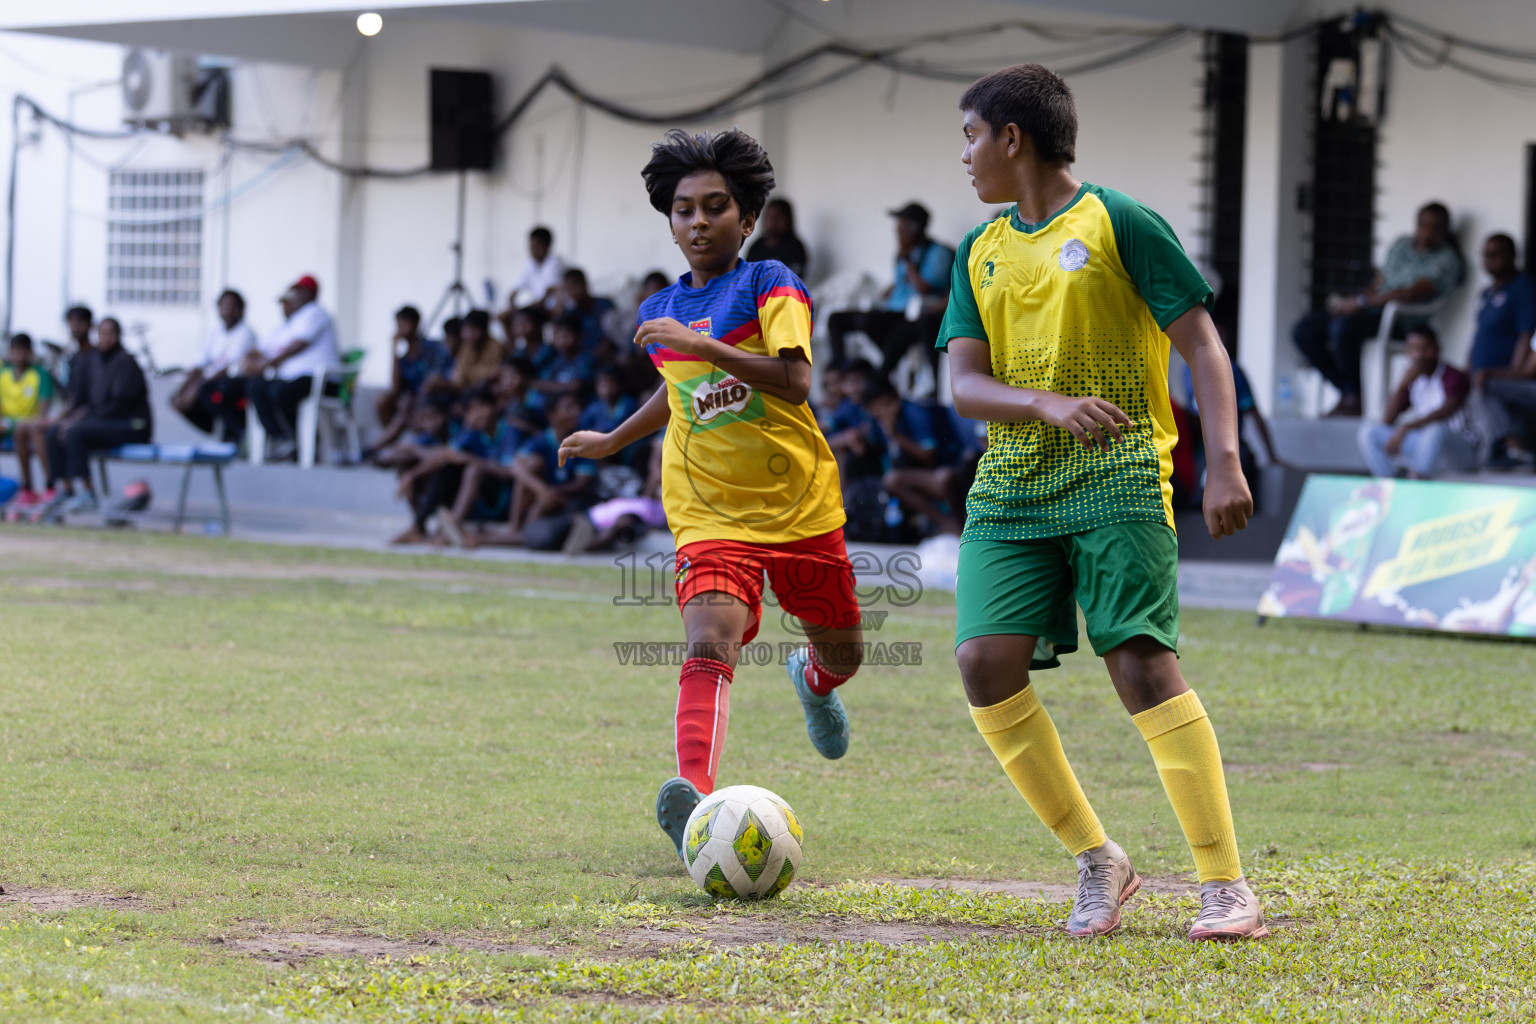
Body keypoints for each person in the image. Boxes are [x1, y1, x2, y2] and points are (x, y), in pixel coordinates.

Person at [939, 64, 1266, 942]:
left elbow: (1202, 347)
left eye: (971, 136)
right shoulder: (979, 250)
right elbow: (964, 382)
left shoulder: (1120, 221)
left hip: (1119, 476)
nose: (965, 157)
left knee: (1141, 666)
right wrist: (1042, 403)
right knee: (982, 662)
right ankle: (1097, 859)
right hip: (1011, 488)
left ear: (1014, 139)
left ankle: (1225, 885)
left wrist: (1225, 462)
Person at [556, 127, 864, 859]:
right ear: (669, 220)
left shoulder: (770, 283)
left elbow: (794, 382)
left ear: (747, 217)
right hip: (707, 509)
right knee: (709, 639)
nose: (698, 221)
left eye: (716, 207)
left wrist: (702, 345)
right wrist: (612, 439)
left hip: (799, 508)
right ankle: (694, 801)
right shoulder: (659, 309)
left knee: (846, 649)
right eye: (684, 209)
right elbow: (678, 394)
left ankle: (815, 681)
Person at [1291, 201, 1462, 417]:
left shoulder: (1447, 258)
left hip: (1401, 320)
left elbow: (1411, 293)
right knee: (1304, 331)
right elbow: (1380, 279)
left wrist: (1363, 302)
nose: (1428, 230)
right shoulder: (1402, 245)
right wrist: (1353, 302)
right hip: (1369, 310)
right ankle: (1347, 390)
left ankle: (1354, 399)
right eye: (1425, 224)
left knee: (1343, 329)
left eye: (1436, 226)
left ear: (1445, 229)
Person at [826, 202, 954, 375]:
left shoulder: (938, 253)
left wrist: (908, 259)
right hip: (891, 309)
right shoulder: (902, 254)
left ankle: (884, 372)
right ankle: (839, 371)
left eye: (903, 227)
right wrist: (891, 287)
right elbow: (902, 282)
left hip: (914, 313)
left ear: (916, 228)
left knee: (871, 323)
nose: (898, 232)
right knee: (837, 319)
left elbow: (925, 288)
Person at [42, 317, 153, 514]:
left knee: (75, 433)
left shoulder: (126, 362)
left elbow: (119, 406)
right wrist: (71, 419)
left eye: (110, 333)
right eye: (102, 333)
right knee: (55, 431)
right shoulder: (95, 362)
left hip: (133, 425)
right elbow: (88, 403)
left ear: (118, 336)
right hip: (105, 421)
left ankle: (88, 493)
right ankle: (67, 490)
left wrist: (82, 421)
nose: (105, 338)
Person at [1356, 326, 1475, 479]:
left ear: (1437, 349)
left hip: (1460, 449)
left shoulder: (1454, 376)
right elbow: (1387, 421)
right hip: (1426, 448)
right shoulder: (1414, 379)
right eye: (1412, 349)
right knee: (1369, 432)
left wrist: (1407, 427)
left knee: (1435, 430)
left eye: (1424, 349)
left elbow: (1446, 411)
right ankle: (1389, 483)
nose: (1417, 355)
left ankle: (1416, 483)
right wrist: (1400, 386)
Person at [244, 276, 340, 462]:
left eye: (300, 291)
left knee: (280, 392)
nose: (295, 295)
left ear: (311, 293)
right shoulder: (295, 319)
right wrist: (250, 360)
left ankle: (298, 440)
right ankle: (282, 438)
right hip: (295, 378)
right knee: (256, 387)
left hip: (320, 379)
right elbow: (266, 348)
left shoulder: (315, 312)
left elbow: (298, 345)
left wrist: (266, 364)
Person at [367, 305, 452, 457]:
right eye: (398, 324)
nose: (400, 328)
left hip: (434, 398)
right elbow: (394, 387)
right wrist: (393, 349)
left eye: (404, 323)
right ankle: (390, 446)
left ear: (416, 324)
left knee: (406, 409)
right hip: (411, 401)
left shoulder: (432, 348)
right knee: (383, 400)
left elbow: (438, 378)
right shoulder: (404, 358)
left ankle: (375, 449)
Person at [175, 290, 257, 442]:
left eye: (232, 306)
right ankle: (220, 431)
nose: (228, 311)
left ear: (240, 310)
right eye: (224, 306)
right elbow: (200, 363)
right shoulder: (215, 333)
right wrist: (183, 390)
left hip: (234, 382)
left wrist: (197, 386)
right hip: (211, 381)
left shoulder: (245, 333)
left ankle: (238, 432)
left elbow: (229, 366)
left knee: (208, 392)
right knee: (178, 400)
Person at [1467, 235, 1536, 377]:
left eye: (1495, 255)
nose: (1489, 260)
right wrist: (1467, 368)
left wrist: (1515, 374)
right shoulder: (1486, 292)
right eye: (1486, 255)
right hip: (1479, 376)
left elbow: (1526, 333)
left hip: (1502, 379)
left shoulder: (1523, 287)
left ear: (1512, 255)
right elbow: (1480, 333)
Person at [0, 334, 56, 502]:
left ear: (30, 352)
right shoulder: (3, 374)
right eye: (15, 350)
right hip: (6, 425)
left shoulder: (40, 374)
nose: (19, 354)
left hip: (31, 427)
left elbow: (43, 412)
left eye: (23, 350)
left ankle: (42, 486)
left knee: (24, 430)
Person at [506, 225, 566, 312]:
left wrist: (525, 308)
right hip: (536, 306)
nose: (531, 250)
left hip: (549, 309)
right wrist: (512, 304)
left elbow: (548, 293)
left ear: (546, 246)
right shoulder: (531, 263)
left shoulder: (555, 262)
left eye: (535, 246)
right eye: (531, 246)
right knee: (503, 316)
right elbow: (516, 288)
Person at [746, 197, 808, 279]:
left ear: (788, 219)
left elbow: (794, 280)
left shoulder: (795, 247)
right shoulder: (757, 246)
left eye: (778, 217)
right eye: (769, 217)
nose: (773, 221)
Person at [451, 310, 504, 393]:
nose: (467, 334)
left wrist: (472, 375)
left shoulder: (496, 347)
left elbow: (494, 375)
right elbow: (459, 380)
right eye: (465, 330)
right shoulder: (465, 348)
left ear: (484, 330)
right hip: (468, 392)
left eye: (472, 329)